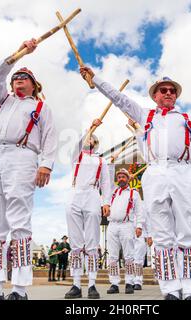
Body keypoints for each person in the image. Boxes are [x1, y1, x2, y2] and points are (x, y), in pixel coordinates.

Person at [80, 67, 191, 300]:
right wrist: (95, 79)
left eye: (172, 91)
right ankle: (171, 290)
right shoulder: (145, 116)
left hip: (182, 171)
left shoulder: (187, 119)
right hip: (154, 173)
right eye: (163, 90)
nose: (168, 93)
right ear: (155, 95)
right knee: (163, 234)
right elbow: (118, 98)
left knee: (188, 231)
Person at [0, 38, 57, 300]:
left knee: (19, 221)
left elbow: (50, 137)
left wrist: (46, 165)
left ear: (35, 85)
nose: (18, 80)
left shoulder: (40, 106)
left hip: (22, 155)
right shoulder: (2, 100)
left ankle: (20, 288)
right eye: (16, 77)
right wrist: (19, 54)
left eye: (24, 77)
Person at [64, 118, 112, 300]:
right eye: (87, 138)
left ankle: (92, 284)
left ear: (96, 143)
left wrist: (106, 202)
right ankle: (76, 284)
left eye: (92, 138)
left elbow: (106, 184)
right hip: (75, 194)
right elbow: (77, 145)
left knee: (92, 242)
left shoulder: (101, 161)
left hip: (92, 195)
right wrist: (90, 128)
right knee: (75, 243)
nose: (89, 140)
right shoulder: (76, 156)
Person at [106, 168, 144, 295]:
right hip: (112, 225)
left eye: (123, 176)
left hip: (127, 225)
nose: (121, 179)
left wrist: (139, 226)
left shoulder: (134, 193)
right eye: (119, 177)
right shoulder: (113, 192)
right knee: (112, 256)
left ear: (128, 179)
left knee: (129, 256)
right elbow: (107, 177)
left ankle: (129, 282)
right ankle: (114, 283)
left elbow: (139, 211)